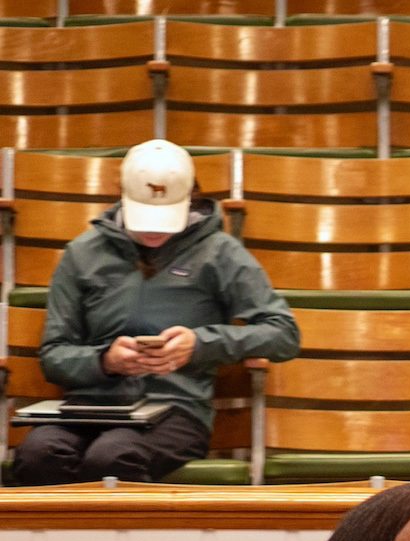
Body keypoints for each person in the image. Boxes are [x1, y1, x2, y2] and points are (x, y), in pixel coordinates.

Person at [11, 140, 298, 487]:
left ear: (190, 197)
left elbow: (283, 334)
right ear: (121, 194)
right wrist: (106, 361)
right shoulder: (83, 253)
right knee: (37, 454)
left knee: (112, 458)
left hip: (176, 409)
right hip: (90, 405)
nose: (154, 231)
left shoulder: (220, 253)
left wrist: (201, 344)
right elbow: (54, 355)